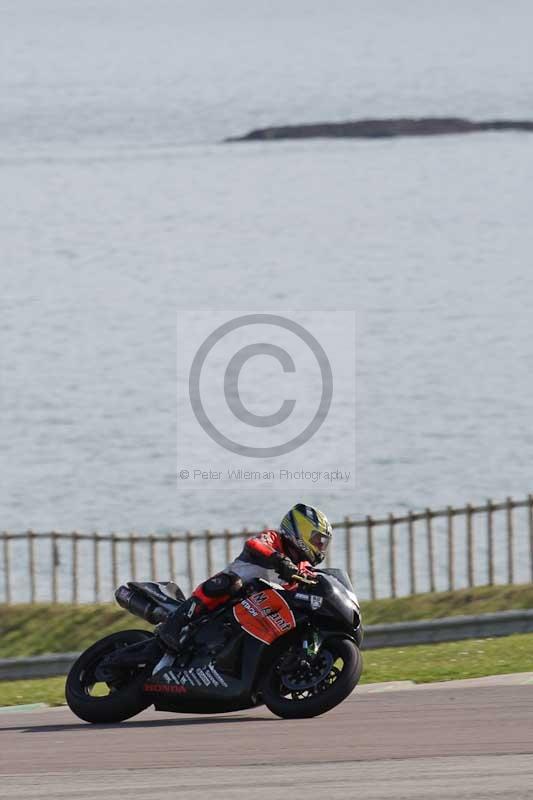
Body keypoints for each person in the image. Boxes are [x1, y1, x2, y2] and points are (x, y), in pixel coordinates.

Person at [157, 503, 333, 652]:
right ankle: (175, 622)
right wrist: (280, 561)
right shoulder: (272, 538)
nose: (320, 547)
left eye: (323, 543)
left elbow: (313, 581)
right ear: (300, 531)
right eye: (318, 540)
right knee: (231, 583)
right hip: (232, 592)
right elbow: (255, 544)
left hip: (257, 608)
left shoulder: (303, 567)